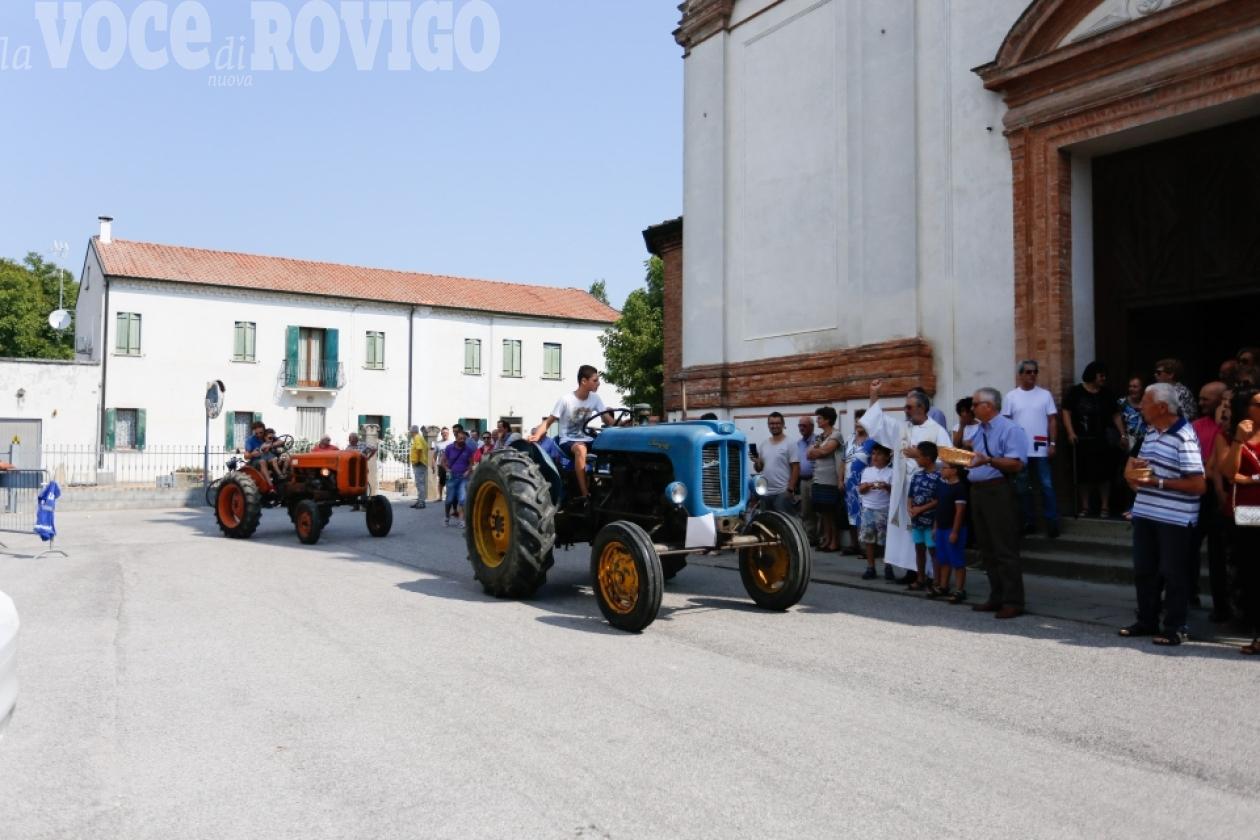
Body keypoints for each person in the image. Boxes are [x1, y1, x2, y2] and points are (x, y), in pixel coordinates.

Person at [1119, 383, 1206, 646]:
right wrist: (1137, 471)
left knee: (1172, 572)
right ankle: (1147, 620)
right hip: (1146, 512)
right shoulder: (1150, 432)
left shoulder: (1184, 437)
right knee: (1145, 571)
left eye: (1145, 403)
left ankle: (1176, 627)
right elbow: (1142, 471)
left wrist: (1157, 482)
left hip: (1175, 517)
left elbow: (1198, 485)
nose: (1140, 408)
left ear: (1161, 407)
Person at [858, 379, 951, 584]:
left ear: (921, 408)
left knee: (925, 535)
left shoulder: (937, 431)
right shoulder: (901, 428)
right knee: (908, 534)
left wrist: (919, 455)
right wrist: (874, 394)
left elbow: (946, 461)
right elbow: (877, 422)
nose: (905, 410)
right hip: (903, 491)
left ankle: (931, 575)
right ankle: (913, 572)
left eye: (909, 407)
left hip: (926, 493)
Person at [967, 387, 1029, 619]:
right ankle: (997, 596)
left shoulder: (1010, 429)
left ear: (989, 406)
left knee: (1004, 547)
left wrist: (989, 461)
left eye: (975, 404)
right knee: (987, 548)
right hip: (978, 491)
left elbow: (1016, 463)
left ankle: (1013, 600)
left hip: (998, 490)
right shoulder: (979, 430)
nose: (972, 408)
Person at [529, 364, 615, 499]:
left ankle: (609, 488)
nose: (598, 383)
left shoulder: (595, 398)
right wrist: (537, 435)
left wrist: (624, 425)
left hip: (586, 438)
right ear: (584, 381)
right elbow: (548, 422)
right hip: (568, 441)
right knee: (581, 449)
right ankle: (585, 494)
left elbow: (607, 419)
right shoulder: (566, 400)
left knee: (610, 446)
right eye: (595, 380)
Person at [1004, 360, 1060, 538]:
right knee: (1022, 488)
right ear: (1020, 374)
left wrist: (1053, 443)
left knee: (1047, 485)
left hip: (1041, 448)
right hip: (1020, 450)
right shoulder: (1011, 396)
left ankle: (1052, 522)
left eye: (1035, 371)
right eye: (1028, 372)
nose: (1032, 375)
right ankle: (1028, 521)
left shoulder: (1045, 395)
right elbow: (1006, 424)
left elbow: (1052, 420)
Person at [1062, 361, 1123, 518]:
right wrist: (1070, 432)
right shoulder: (1076, 392)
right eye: (1101, 375)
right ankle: (1085, 506)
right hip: (1082, 440)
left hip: (1103, 440)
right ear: (1092, 375)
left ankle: (1105, 506)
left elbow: (1115, 414)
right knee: (1083, 475)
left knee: (1105, 474)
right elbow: (1066, 411)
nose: (1104, 378)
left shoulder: (1107, 393)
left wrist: (1122, 434)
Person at [1225, 388, 1260, 655]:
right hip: (1248, 512)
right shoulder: (1235, 435)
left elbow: (1241, 476)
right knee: (1251, 572)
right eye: (1257, 404)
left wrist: (1249, 479)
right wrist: (1238, 440)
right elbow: (1229, 473)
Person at [1189, 383, 1227, 606]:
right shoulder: (1195, 426)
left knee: (1219, 551)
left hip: (1225, 496)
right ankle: (1189, 593)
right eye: (1200, 398)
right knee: (1190, 545)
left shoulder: (1232, 431)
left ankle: (1222, 604)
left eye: (1206, 399)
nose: (1201, 403)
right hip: (1199, 493)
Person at [805, 407, 844, 552]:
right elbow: (809, 455)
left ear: (827, 419)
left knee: (831, 512)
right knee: (823, 512)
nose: (817, 420)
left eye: (820, 418)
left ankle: (835, 541)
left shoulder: (836, 434)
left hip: (831, 479)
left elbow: (825, 451)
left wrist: (817, 451)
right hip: (818, 478)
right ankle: (827, 539)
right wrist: (817, 451)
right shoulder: (820, 436)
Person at [932, 460, 970, 604]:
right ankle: (943, 586)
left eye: (945, 468)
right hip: (941, 527)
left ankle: (960, 589)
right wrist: (935, 526)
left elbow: (960, 512)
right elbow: (939, 508)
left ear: (954, 470)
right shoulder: (942, 486)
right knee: (943, 558)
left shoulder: (959, 488)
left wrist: (955, 532)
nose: (941, 470)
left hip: (952, 528)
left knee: (957, 559)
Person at [906, 441, 941, 592]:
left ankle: (937, 581)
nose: (916, 459)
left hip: (930, 520)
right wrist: (910, 507)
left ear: (928, 458)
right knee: (919, 548)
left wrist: (920, 509)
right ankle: (920, 578)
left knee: (933, 550)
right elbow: (910, 495)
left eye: (918, 456)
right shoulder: (917, 475)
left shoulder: (939, 476)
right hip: (917, 520)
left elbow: (938, 500)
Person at [751, 412, 800, 515]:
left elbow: (796, 467)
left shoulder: (790, 443)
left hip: (782, 493)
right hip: (765, 493)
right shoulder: (764, 444)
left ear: (783, 424)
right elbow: (759, 469)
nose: (774, 426)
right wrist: (757, 462)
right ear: (768, 425)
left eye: (777, 423)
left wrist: (790, 489)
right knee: (767, 522)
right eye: (772, 423)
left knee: (782, 522)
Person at [858, 444, 894, 580]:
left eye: (879, 454)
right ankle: (870, 567)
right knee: (869, 539)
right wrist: (867, 486)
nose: (875, 457)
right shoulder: (867, 471)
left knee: (886, 540)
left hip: (884, 509)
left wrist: (886, 486)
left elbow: (894, 492)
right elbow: (861, 490)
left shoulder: (891, 472)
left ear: (887, 457)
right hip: (868, 508)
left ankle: (888, 566)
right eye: (873, 454)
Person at [842, 412, 873, 555]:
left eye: (861, 422)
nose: (858, 425)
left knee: (865, 515)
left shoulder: (872, 441)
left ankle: (866, 547)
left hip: (864, 484)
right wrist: (840, 479)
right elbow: (843, 461)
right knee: (851, 514)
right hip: (849, 484)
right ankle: (854, 544)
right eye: (856, 422)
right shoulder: (850, 439)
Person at [794, 416, 820, 545]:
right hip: (803, 481)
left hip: (816, 479)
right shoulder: (798, 443)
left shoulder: (818, 440)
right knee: (806, 510)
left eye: (804, 426)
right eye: (800, 426)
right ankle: (810, 537)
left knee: (819, 510)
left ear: (812, 427)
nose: (801, 428)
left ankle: (821, 538)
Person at [443, 428, 476, 527]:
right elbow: (442, 461)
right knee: (449, 500)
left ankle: (462, 521)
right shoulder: (449, 448)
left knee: (462, 499)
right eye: (460, 438)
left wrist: (468, 471)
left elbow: (471, 463)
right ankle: (447, 517)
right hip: (452, 477)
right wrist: (447, 469)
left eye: (464, 439)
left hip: (463, 477)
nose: (462, 440)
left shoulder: (468, 450)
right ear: (456, 438)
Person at [408, 425, 429, 509]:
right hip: (422, 463)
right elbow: (426, 448)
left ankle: (421, 502)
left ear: (413, 431)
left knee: (420, 483)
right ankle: (420, 500)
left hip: (419, 463)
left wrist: (417, 461)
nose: (410, 433)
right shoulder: (421, 438)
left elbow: (419, 449)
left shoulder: (417, 437)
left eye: (410, 431)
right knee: (420, 483)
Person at [434, 427, 451, 498]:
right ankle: (440, 496)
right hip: (441, 465)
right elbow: (435, 455)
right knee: (441, 481)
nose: (445, 434)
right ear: (441, 434)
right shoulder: (438, 444)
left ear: (448, 434)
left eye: (446, 433)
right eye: (443, 433)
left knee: (449, 480)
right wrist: (433, 464)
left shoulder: (452, 443)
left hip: (450, 465)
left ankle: (449, 496)